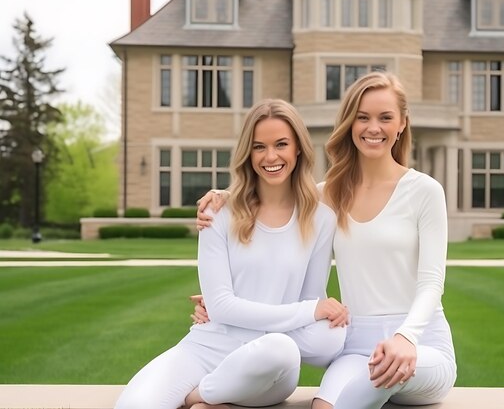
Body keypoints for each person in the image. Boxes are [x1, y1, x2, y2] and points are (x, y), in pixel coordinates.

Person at [195, 71, 456, 409]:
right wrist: (224, 195)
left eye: (385, 117)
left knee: (372, 379)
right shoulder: (329, 195)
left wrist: (406, 338)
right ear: (349, 123)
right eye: (362, 117)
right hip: (355, 346)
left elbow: (432, 282)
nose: (373, 127)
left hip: (422, 346)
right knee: (324, 405)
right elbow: (275, 194)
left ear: (402, 123)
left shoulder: (425, 191)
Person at [115, 99, 348, 409]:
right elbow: (223, 308)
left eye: (281, 144)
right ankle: (220, 397)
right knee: (133, 406)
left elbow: (309, 303)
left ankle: (199, 396)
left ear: (298, 149)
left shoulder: (321, 219)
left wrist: (315, 313)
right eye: (259, 147)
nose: (271, 156)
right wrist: (311, 311)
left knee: (300, 343)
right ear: (247, 153)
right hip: (208, 346)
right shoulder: (218, 211)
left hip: (269, 365)